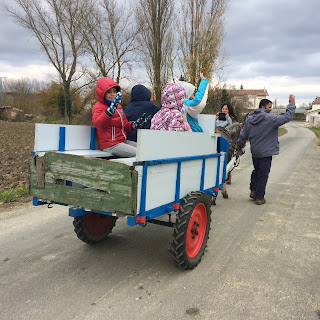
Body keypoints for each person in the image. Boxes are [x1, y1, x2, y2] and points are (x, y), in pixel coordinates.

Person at [238, 95, 296, 205]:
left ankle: (253, 190)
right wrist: (291, 104)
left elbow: (243, 135)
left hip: (255, 151)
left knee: (256, 170)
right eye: (270, 107)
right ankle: (259, 197)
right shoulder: (271, 119)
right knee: (263, 173)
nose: (271, 109)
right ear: (263, 107)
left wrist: (240, 145)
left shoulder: (249, 119)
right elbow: (287, 117)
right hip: (266, 153)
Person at [92, 77, 149, 157]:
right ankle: (135, 169)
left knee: (147, 149)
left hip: (122, 141)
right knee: (139, 153)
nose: (112, 94)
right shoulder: (98, 107)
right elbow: (98, 124)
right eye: (108, 92)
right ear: (102, 93)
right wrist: (109, 112)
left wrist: (135, 124)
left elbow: (124, 124)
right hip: (110, 145)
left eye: (114, 92)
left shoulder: (118, 107)